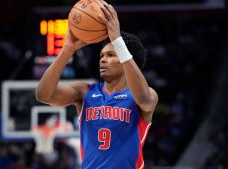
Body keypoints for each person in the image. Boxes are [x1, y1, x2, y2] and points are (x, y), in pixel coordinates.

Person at [35, 1, 158, 169]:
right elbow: (43, 95)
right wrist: (67, 50)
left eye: (111, 55)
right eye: (102, 55)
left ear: (125, 57)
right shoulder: (84, 92)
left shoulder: (145, 95)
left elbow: (144, 99)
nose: (103, 59)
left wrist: (117, 40)